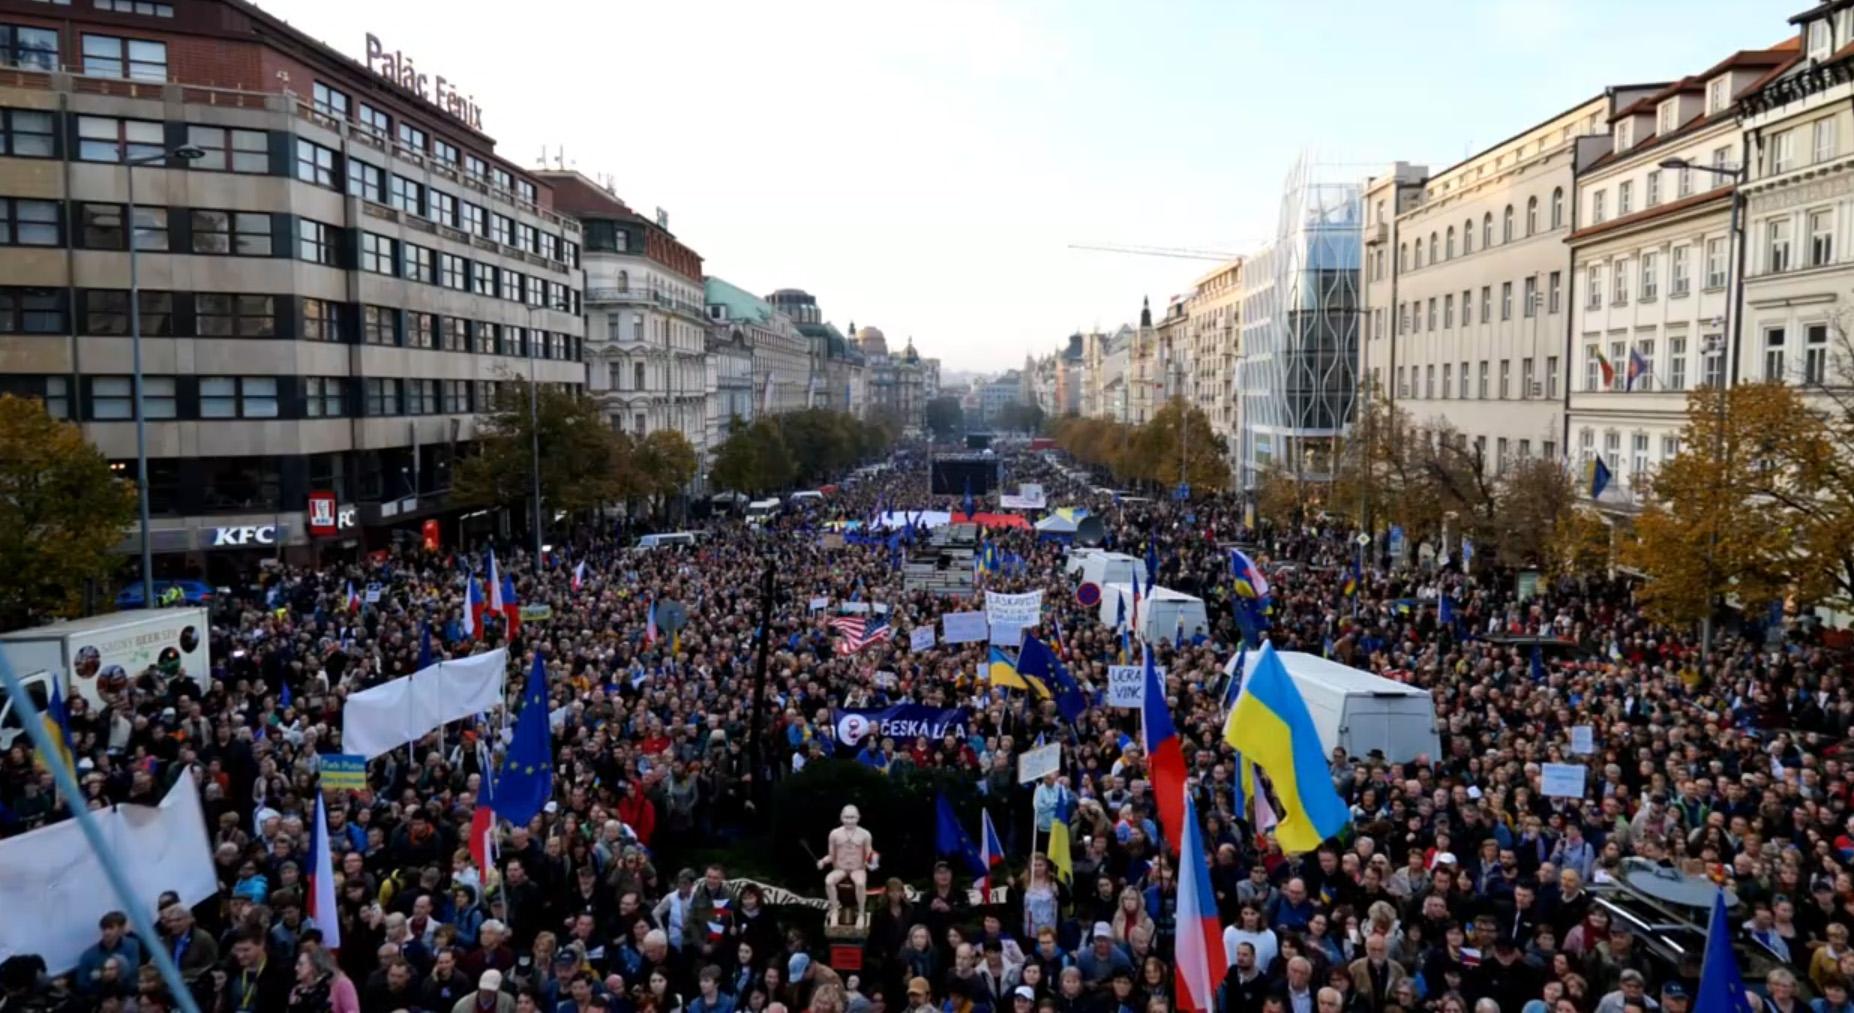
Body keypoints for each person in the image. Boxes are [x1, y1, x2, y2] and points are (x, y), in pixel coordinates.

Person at [75, 912, 143, 998]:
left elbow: (133, 968)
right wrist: (100, 980)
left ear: (121, 929)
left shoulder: (132, 944)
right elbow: (82, 983)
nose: (106, 932)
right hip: (102, 998)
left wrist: (112, 975)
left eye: (111, 928)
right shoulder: (88, 955)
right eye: (104, 928)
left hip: (129, 995)